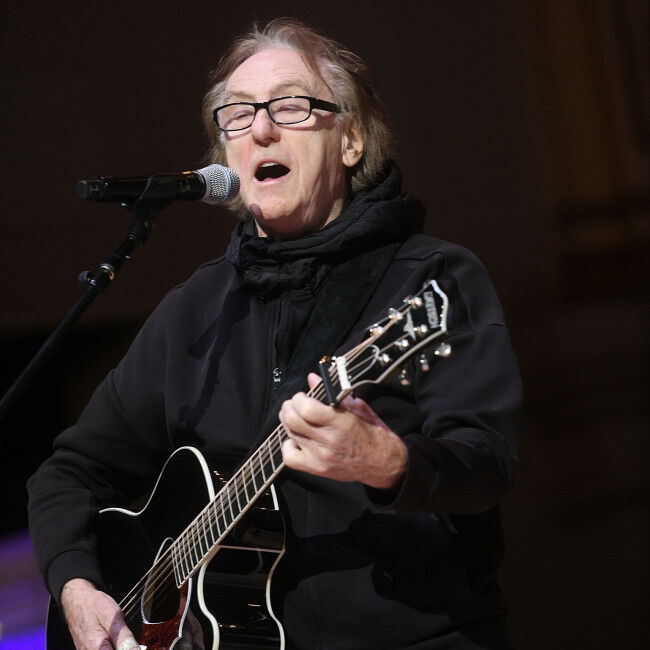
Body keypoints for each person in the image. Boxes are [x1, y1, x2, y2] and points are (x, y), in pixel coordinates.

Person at [28, 18, 522, 650]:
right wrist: (74, 584)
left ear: (352, 140)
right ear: (225, 160)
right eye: (237, 117)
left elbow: (489, 462)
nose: (261, 128)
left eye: (290, 106)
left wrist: (393, 464)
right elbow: (69, 472)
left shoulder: (431, 280)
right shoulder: (193, 311)